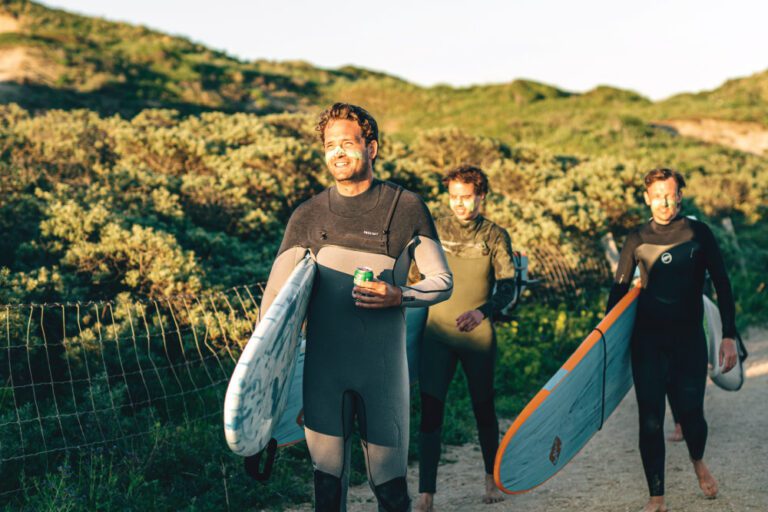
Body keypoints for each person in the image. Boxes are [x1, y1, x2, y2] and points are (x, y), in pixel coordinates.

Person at [259, 103, 453, 512]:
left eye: (348, 143)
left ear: (372, 148)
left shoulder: (405, 207)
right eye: (330, 145)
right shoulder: (308, 215)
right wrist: (262, 388)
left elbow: (442, 281)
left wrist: (400, 295)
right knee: (327, 489)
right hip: (323, 376)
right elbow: (273, 305)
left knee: (391, 491)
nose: (338, 152)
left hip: (382, 376)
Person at [606, 168, 739, 512]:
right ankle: (657, 497)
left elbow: (722, 284)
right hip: (647, 343)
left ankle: (698, 459)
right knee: (650, 419)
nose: (664, 203)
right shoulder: (637, 238)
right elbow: (618, 295)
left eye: (670, 195)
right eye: (657, 196)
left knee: (692, 416)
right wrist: (604, 345)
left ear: (679, 195)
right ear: (647, 198)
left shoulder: (698, 233)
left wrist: (728, 335)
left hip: (688, 341)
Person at [414, 166, 516, 511]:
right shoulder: (435, 230)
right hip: (436, 335)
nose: (459, 203)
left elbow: (507, 288)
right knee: (430, 413)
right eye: (454, 196)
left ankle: (491, 478)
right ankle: (426, 494)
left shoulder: (495, 235)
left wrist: (482, 312)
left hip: (477, 336)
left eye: (467, 196)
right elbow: (415, 277)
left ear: (481, 196)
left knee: (484, 409)